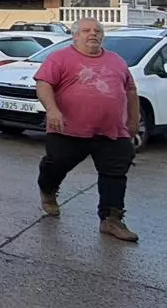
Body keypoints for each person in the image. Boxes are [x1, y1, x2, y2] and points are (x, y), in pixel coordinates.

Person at [33, 18, 140, 242]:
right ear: (75, 35)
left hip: (112, 131)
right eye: (86, 30)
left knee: (115, 174)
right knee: (56, 164)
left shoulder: (116, 60)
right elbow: (43, 84)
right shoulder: (60, 57)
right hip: (67, 130)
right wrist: (52, 110)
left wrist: (133, 120)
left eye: (97, 30)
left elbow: (130, 90)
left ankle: (111, 219)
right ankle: (48, 190)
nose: (93, 34)